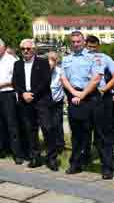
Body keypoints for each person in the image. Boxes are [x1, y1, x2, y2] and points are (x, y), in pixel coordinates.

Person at [60, 31, 106, 177]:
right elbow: (63, 79)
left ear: (83, 41)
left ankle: (107, 167)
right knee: (78, 135)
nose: (75, 44)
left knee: (100, 135)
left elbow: (96, 79)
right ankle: (76, 164)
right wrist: (74, 93)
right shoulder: (66, 59)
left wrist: (83, 94)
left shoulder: (94, 57)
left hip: (91, 97)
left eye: (78, 41)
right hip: (75, 97)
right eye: (73, 42)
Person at [12, 39, 58, 171]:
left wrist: (32, 94)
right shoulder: (17, 64)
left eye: (28, 49)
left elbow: (46, 81)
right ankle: (35, 157)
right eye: (23, 49)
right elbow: (15, 82)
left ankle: (51, 158)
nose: (26, 51)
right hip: (25, 101)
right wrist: (23, 94)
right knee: (30, 130)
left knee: (47, 128)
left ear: (34, 50)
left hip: (41, 100)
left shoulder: (43, 62)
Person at [0, 37, 24, 163]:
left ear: (3, 46)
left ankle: (17, 153)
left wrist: (2, 85)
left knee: (12, 124)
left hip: (8, 94)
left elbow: (16, 80)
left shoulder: (11, 60)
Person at [84, 35, 114, 177]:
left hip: (100, 97)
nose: (92, 50)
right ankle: (82, 160)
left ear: (98, 46)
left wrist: (105, 89)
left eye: (94, 47)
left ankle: (107, 167)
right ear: (85, 45)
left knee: (103, 133)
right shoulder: (78, 57)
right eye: (89, 47)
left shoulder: (105, 58)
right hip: (83, 97)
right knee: (82, 131)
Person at [47, 51, 66, 153]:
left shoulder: (60, 72)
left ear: (56, 61)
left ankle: (60, 145)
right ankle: (50, 144)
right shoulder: (42, 71)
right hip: (45, 102)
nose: (50, 62)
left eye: (53, 60)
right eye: (49, 59)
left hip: (57, 101)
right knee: (47, 125)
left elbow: (64, 85)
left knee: (57, 123)